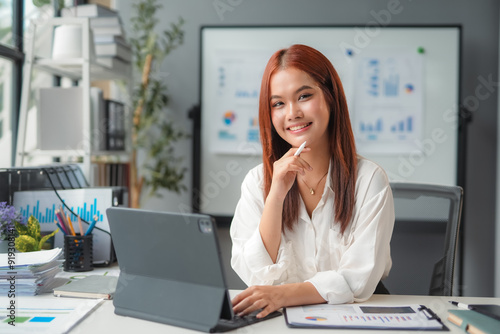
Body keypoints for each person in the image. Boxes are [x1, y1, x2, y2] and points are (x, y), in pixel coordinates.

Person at [229, 44, 395, 319]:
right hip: (281, 319)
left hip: (356, 316)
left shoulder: (369, 180)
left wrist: (282, 295)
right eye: (278, 103)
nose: (292, 113)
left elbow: (358, 280)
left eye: (304, 96)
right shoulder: (257, 181)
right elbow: (253, 274)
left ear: (330, 97)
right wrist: (276, 197)